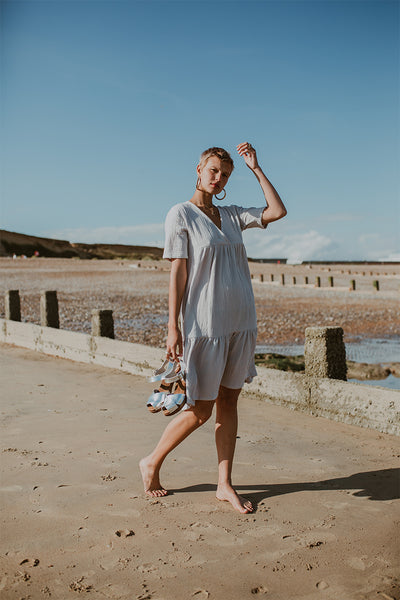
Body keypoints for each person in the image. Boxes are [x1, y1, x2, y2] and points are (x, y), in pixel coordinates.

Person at [140, 142, 287, 513]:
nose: (217, 177)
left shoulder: (234, 215)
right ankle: (152, 461)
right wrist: (172, 327)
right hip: (203, 325)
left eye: (224, 173)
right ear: (198, 170)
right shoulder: (180, 214)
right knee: (201, 408)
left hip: (240, 323)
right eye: (212, 170)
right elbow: (178, 272)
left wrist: (256, 168)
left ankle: (225, 484)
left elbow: (277, 210)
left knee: (230, 401)